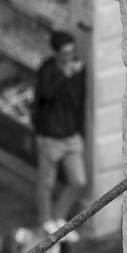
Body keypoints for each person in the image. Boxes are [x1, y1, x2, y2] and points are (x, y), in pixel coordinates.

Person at [31, 31, 90, 230]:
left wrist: (80, 130)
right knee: (46, 182)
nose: (69, 57)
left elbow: (79, 100)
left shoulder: (77, 69)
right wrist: (65, 76)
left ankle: (58, 215)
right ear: (56, 53)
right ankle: (45, 220)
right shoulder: (47, 70)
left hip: (71, 135)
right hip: (50, 136)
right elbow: (45, 94)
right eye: (65, 53)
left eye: (71, 52)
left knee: (79, 181)